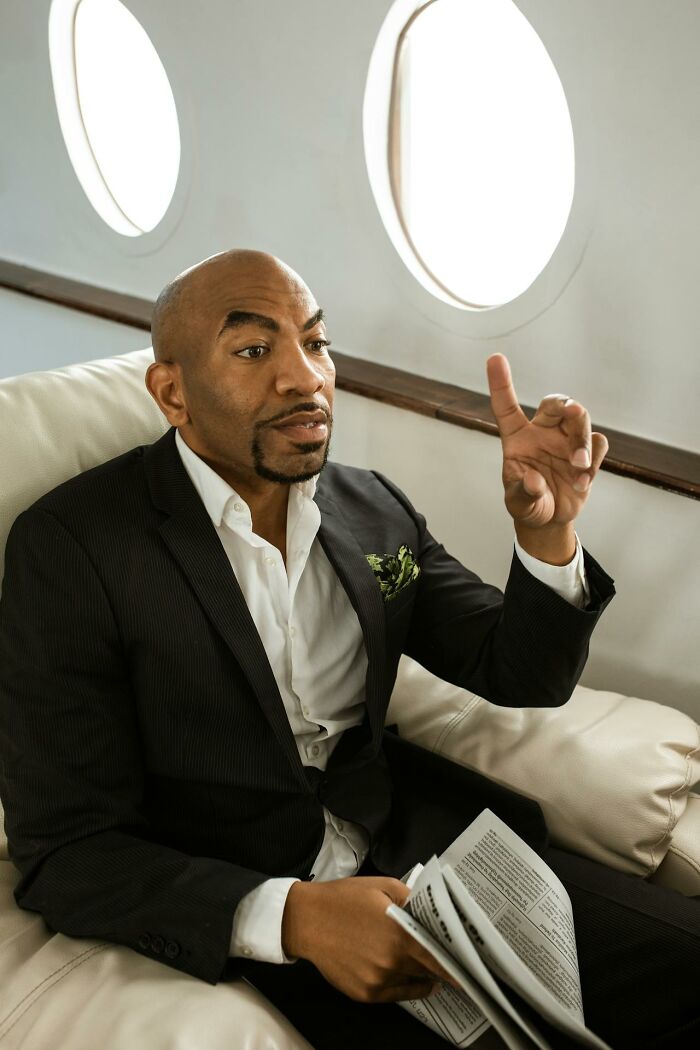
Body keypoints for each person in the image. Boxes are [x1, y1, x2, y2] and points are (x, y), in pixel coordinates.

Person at [0, 250, 697, 1050]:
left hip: (431, 854)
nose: (305, 378)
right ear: (172, 393)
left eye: (316, 343)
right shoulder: (72, 547)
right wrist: (294, 919)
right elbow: (67, 851)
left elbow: (520, 674)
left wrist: (548, 533)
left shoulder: (372, 507)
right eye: (254, 349)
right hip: (257, 910)